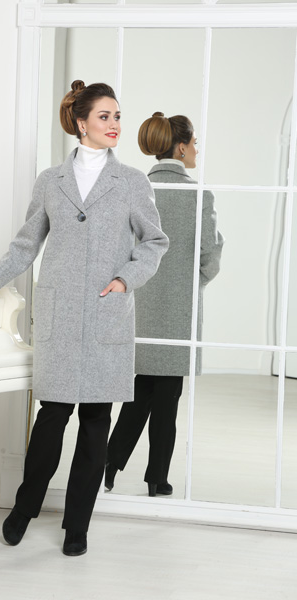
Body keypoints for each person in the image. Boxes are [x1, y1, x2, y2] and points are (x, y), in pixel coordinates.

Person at [0, 84, 169, 555]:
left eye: (117, 116)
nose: (115, 124)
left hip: (106, 314)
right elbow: (25, 246)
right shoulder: (50, 181)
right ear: (81, 122)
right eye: (104, 116)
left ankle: (77, 526)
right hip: (60, 315)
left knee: (96, 421)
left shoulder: (131, 181)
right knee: (52, 417)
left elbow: (154, 241)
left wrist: (125, 280)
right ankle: (24, 508)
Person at [105, 112, 224, 497]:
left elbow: (117, 249)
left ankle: (110, 460)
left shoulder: (135, 188)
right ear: (182, 147)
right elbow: (210, 257)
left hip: (138, 303)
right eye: (195, 144)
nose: (197, 151)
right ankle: (157, 478)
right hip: (178, 310)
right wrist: (189, 286)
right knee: (168, 396)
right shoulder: (198, 194)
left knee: (142, 387)